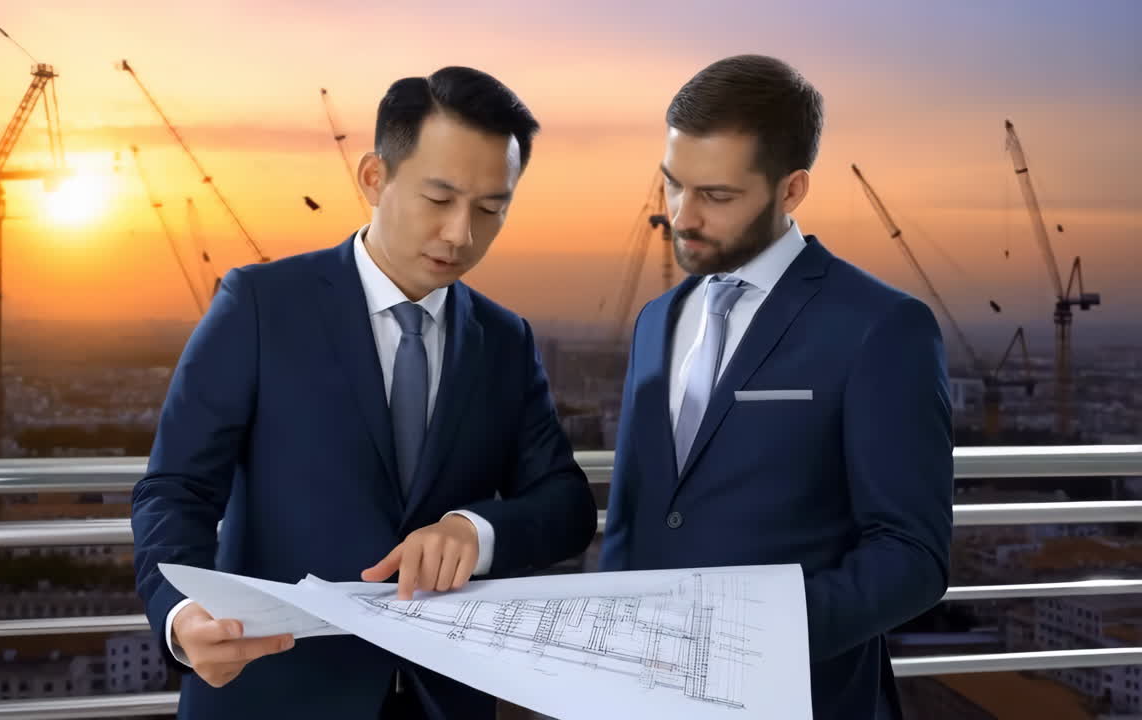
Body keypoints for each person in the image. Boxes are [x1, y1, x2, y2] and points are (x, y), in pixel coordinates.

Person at [132, 65, 598, 720]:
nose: (462, 234)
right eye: (440, 200)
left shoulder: (504, 339)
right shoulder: (260, 305)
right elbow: (175, 488)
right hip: (277, 693)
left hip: (443, 698)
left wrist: (476, 531)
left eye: (492, 209)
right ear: (374, 178)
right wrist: (180, 616)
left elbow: (567, 504)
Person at [599, 55, 953, 720]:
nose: (683, 216)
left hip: (807, 700)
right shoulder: (656, 320)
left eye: (717, 196)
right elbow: (633, 519)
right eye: (674, 186)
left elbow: (911, 557)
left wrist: (744, 644)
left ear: (791, 191)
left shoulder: (882, 327)